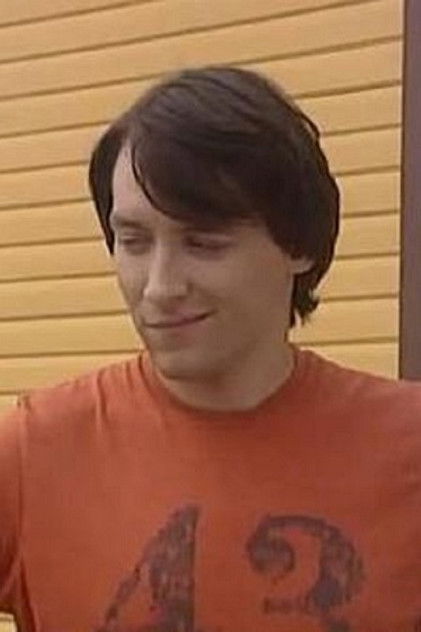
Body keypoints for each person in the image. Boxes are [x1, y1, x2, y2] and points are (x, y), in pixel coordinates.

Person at [0, 66, 420, 632]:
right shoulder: (36, 453)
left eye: (203, 242)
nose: (159, 286)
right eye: (133, 241)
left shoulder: (406, 447)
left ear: (297, 245)